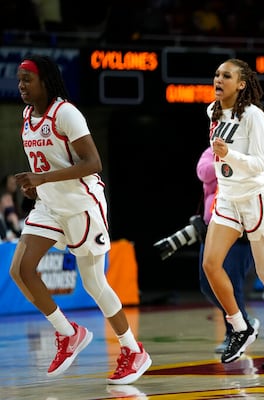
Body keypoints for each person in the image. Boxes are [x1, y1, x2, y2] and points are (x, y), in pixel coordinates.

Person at [9, 54, 151, 384]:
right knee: (20, 269)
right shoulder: (28, 115)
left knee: (94, 284)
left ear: (45, 80)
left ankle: (133, 349)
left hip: (82, 205)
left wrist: (42, 178)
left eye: (27, 80)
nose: (21, 85)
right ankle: (68, 332)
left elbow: (93, 163)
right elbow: (46, 164)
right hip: (49, 205)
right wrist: (36, 184)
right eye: (18, 80)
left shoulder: (66, 113)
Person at [201, 58, 264, 370]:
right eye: (217, 74)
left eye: (226, 76)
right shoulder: (212, 111)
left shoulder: (254, 115)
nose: (219, 80)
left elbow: (260, 164)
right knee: (210, 264)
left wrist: (227, 154)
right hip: (228, 196)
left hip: (258, 196)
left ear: (241, 83)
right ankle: (240, 327)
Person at [196, 146, 261, 354]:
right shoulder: (212, 151)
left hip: (241, 228)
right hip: (212, 226)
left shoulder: (252, 154)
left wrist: (233, 160)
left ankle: (235, 332)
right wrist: (226, 160)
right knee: (207, 284)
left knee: (233, 283)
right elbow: (203, 172)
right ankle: (244, 320)